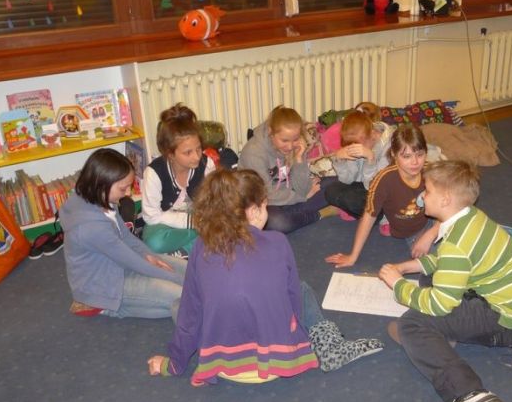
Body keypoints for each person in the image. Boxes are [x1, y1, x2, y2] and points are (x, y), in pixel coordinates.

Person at [147, 169, 383, 385]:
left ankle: (214, 352)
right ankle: (331, 346)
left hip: (225, 368)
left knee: (181, 305)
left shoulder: (201, 245)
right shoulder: (278, 241)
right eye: (265, 205)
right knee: (301, 288)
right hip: (277, 362)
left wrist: (173, 364)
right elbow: (293, 301)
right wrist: (299, 343)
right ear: (252, 211)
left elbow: (190, 313)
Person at [379, 160, 512, 402]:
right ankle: (439, 337)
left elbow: (440, 303)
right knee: (428, 280)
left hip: (511, 322)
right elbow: (453, 262)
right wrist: (411, 266)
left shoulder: (456, 245)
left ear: (445, 199)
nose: (422, 196)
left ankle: (473, 396)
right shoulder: (471, 217)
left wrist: (398, 285)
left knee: (412, 323)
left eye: (427, 191)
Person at [59, 148, 186, 319]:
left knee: (187, 270)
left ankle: (123, 304)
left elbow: (126, 237)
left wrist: (148, 255)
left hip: (119, 262)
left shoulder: (102, 198)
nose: (128, 193)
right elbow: (133, 262)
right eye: (123, 188)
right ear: (102, 184)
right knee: (182, 294)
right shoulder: (92, 228)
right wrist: (178, 280)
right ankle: (103, 305)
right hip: (104, 284)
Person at [326, 125, 440, 268]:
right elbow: (368, 216)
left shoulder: (431, 171)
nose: (415, 162)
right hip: (413, 233)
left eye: (420, 154)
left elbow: (453, 206)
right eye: (406, 156)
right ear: (394, 154)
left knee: (462, 235)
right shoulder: (384, 179)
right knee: (438, 262)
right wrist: (353, 256)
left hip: (437, 221)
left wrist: (432, 233)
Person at [238, 106, 336, 234]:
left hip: (289, 195)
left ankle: (296, 213)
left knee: (334, 183)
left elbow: (303, 188)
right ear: (270, 132)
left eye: (295, 139)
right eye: (284, 140)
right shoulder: (254, 153)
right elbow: (265, 194)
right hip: (262, 202)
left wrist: (299, 159)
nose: (290, 146)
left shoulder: (296, 145)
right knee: (278, 222)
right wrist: (301, 197)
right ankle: (317, 214)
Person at [141, 104, 216, 258]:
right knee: (154, 242)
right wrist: (191, 222)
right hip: (166, 222)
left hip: (200, 218)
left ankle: (182, 252)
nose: (196, 156)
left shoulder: (206, 164)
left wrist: (206, 219)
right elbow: (151, 216)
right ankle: (196, 246)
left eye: (198, 149)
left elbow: (214, 201)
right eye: (187, 153)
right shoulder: (153, 173)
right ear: (170, 154)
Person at [324, 108, 394, 220]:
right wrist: (339, 160)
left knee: (351, 199)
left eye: (358, 145)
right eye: (351, 145)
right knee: (331, 191)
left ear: (373, 134)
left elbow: (373, 187)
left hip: (382, 192)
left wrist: (370, 159)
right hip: (364, 186)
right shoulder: (359, 140)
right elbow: (347, 180)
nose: (355, 148)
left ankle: (377, 217)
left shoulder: (389, 146)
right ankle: (363, 215)